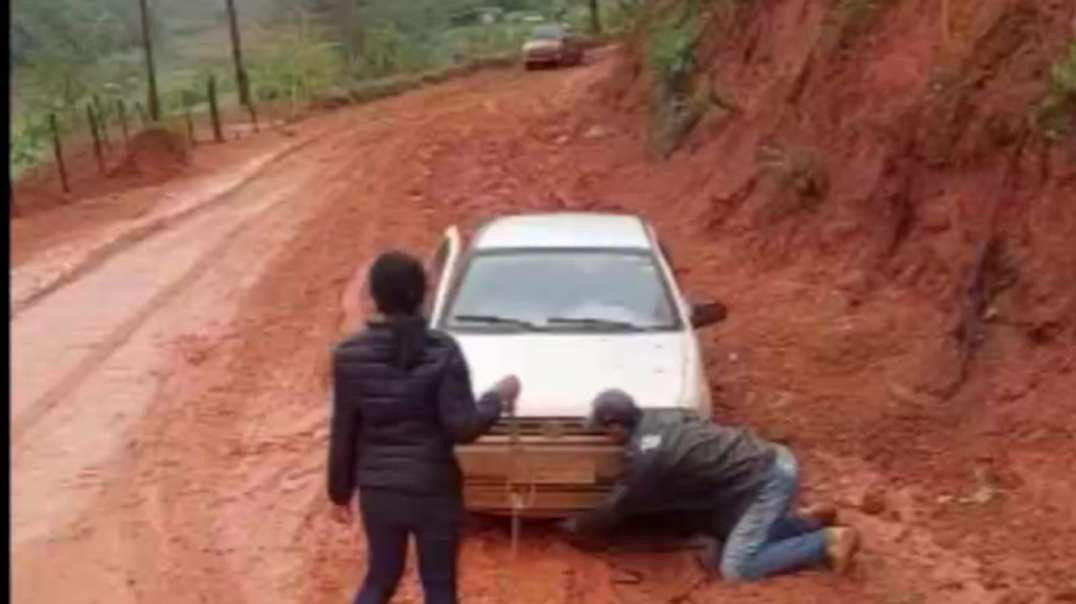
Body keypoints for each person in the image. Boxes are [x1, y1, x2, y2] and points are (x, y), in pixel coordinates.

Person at [327, 250, 521, 604]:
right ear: (423, 294)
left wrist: (340, 493)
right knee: (439, 585)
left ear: (374, 296)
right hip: (434, 489)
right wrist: (497, 397)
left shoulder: (348, 355)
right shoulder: (442, 350)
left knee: (380, 579)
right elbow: (463, 426)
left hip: (380, 490)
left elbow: (344, 430)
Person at [559, 389, 859, 582]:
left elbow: (620, 503)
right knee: (733, 532)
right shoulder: (659, 416)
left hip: (766, 479)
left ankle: (826, 541)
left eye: (604, 431)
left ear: (616, 426)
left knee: (737, 569)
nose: (605, 438)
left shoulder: (649, 458)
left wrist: (577, 525)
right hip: (766, 460)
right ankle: (805, 523)